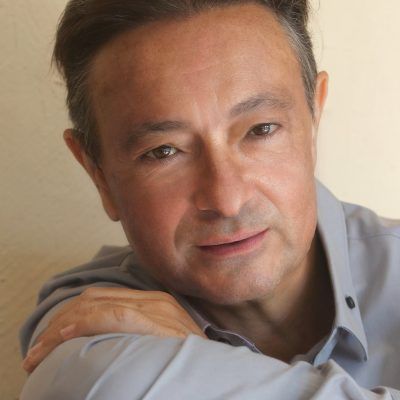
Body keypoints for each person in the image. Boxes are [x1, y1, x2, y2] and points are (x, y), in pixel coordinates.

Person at [19, 0, 400, 399]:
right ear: (97, 174)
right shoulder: (92, 333)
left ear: (314, 118)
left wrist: (200, 363)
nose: (227, 199)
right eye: (163, 151)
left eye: (261, 129)